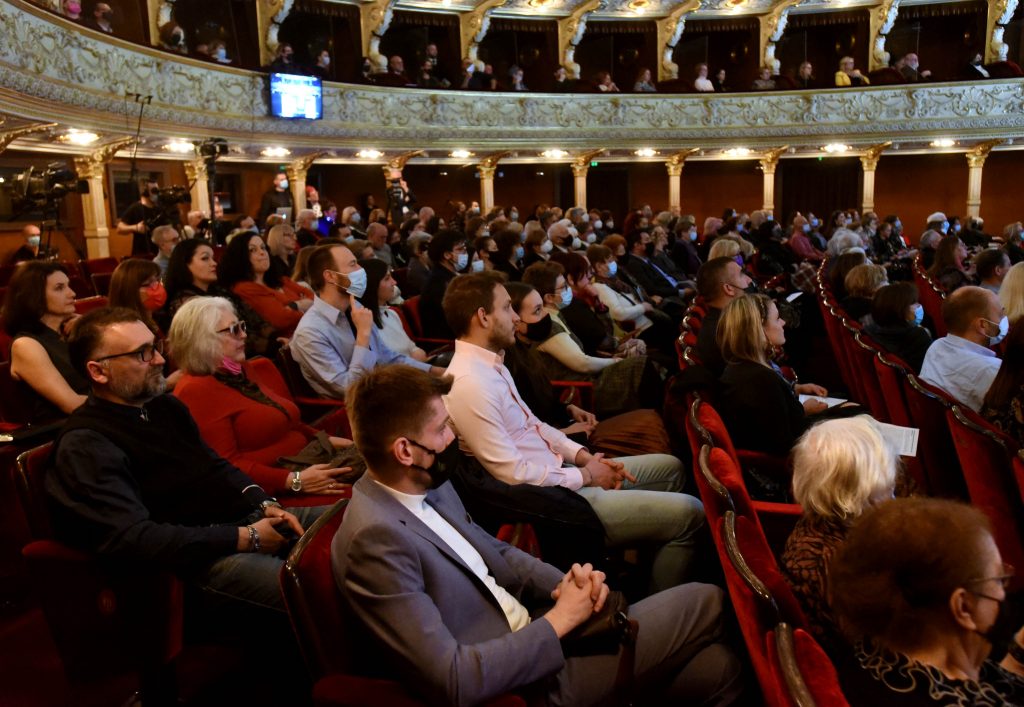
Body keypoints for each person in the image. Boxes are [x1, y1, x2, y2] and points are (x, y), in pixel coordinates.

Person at [333, 364, 742, 706]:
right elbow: (455, 679)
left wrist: (564, 584)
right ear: (405, 450)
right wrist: (561, 621)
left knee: (719, 668)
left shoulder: (425, 480)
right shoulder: (375, 541)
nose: (453, 438)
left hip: (540, 630)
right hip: (524, 685)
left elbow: (495, 552)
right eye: (442, 428)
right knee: (710, 599)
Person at [442, 272, 707, 594]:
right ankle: (658, 606)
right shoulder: (470, 382)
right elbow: (511, 474)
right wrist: (586, 475)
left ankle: (642, 560)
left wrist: (581, 456)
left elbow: (535, 425)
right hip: (553, 496)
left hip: (563, 471)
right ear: (482, 317)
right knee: (691, 514)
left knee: (671, 468)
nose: (515, 318)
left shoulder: (491, 365)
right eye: (507, 308)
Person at [45, 307, 322, 612]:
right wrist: (245, 537)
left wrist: (264, 502)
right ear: (98, 371)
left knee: (361, 525)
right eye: (143, 354)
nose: (161, 361)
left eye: (156, 347)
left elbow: (214, 466)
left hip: (236, 524)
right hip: (190, 564)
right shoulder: (86, 444)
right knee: (318, 589)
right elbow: (134, 537)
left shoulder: (165, 407)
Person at [829, 497, 1024, 704]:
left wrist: (1016, 659)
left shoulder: (867, 658)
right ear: (963, 607)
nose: (1003, 593)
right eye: (999, 580)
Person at [169, 297, 354, 504]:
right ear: (203, 340)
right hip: (271, 490)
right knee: (367, 497)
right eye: (233, 330)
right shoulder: (196, 390)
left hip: (308, 460)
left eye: (241, 326)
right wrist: (293, 480)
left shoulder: (238, 369)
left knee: (380, 466)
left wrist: (324, 439)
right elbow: (227, 467)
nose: (244, 335)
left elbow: (286, 420)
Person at [781, 416, 898, 648]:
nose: (894, 500)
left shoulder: (825, 523)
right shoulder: (835, 565)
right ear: (854, 499)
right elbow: (881, 648)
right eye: (887, 491)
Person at [291, 244, 441, 399]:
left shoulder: (355, 307)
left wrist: (433, 371)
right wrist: (363, 336)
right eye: (352, 264)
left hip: (385, 391)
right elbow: (348, 388)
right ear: (331, 276)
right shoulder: (310, 332)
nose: (360, 270)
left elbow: (386, 356)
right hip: (359, 410)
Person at [716, 294, 830, 456]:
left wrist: (798, 393)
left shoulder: (742, 365)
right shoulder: (759, 379)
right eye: (777, 319)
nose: (783, 323)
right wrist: (804, 411)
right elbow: (786, 444)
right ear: (759, 330)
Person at [3, 261, 89, 423]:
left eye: (68, 286)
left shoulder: (73, 330)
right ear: (34, 296)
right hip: (67, 430)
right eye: (59, 288)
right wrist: (123, 405)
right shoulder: (25, 345)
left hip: (97, 417)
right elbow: (71, 404)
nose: (72, 293)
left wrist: (91, 327)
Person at [920, 286, 1005, 412]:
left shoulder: (937, 346)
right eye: (1001, 314)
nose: (1004, 319)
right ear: (983, 325)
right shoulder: (991, 370)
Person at [219, 232, 313, 340]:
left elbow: (314, 298)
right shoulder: (244, 288)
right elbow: (281, 318)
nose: (262, 253)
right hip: (287, 342)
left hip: (308, 333)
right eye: (253, 250)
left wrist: (293, 306)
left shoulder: (281, 280)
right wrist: (301, 305)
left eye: (263, 248)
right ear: (240, 256)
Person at [356, 258, 428, 362]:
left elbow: (410, 346)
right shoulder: (364, 326)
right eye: (387, 278)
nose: (394, 282)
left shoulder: (392, 313)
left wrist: (416, 351)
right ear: (372, 285)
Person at [694, 257, 752, 376]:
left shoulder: (724, 321)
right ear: (728, 288)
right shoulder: (728, 335)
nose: (749, 280)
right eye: (741, 275)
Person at [864, 282, 932, 372]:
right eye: (914, 303)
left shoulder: (871, 329)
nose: (919, 306)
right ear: (900, 309)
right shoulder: (917, 336)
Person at [419, 229, 467, 340]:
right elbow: (453, 318)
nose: (465, 253)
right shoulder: (438, 283)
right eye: (460, 249)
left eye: (464, 248)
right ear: (446, 255)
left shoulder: (452, 274)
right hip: (448, 338)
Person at [108, 258, 164, 336]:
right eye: (148, 283)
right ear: (129, 290)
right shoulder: (126, 330)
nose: (157, 286)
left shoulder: (158, 317)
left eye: (157, 280)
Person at [116, 178, 162, 255]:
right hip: (142, 253)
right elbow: (120, 228)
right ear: (145, 192)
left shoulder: (159, 208)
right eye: (154, 191)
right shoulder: (136, 208)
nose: (156, 193)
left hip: (159, 251)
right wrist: (136, 227)